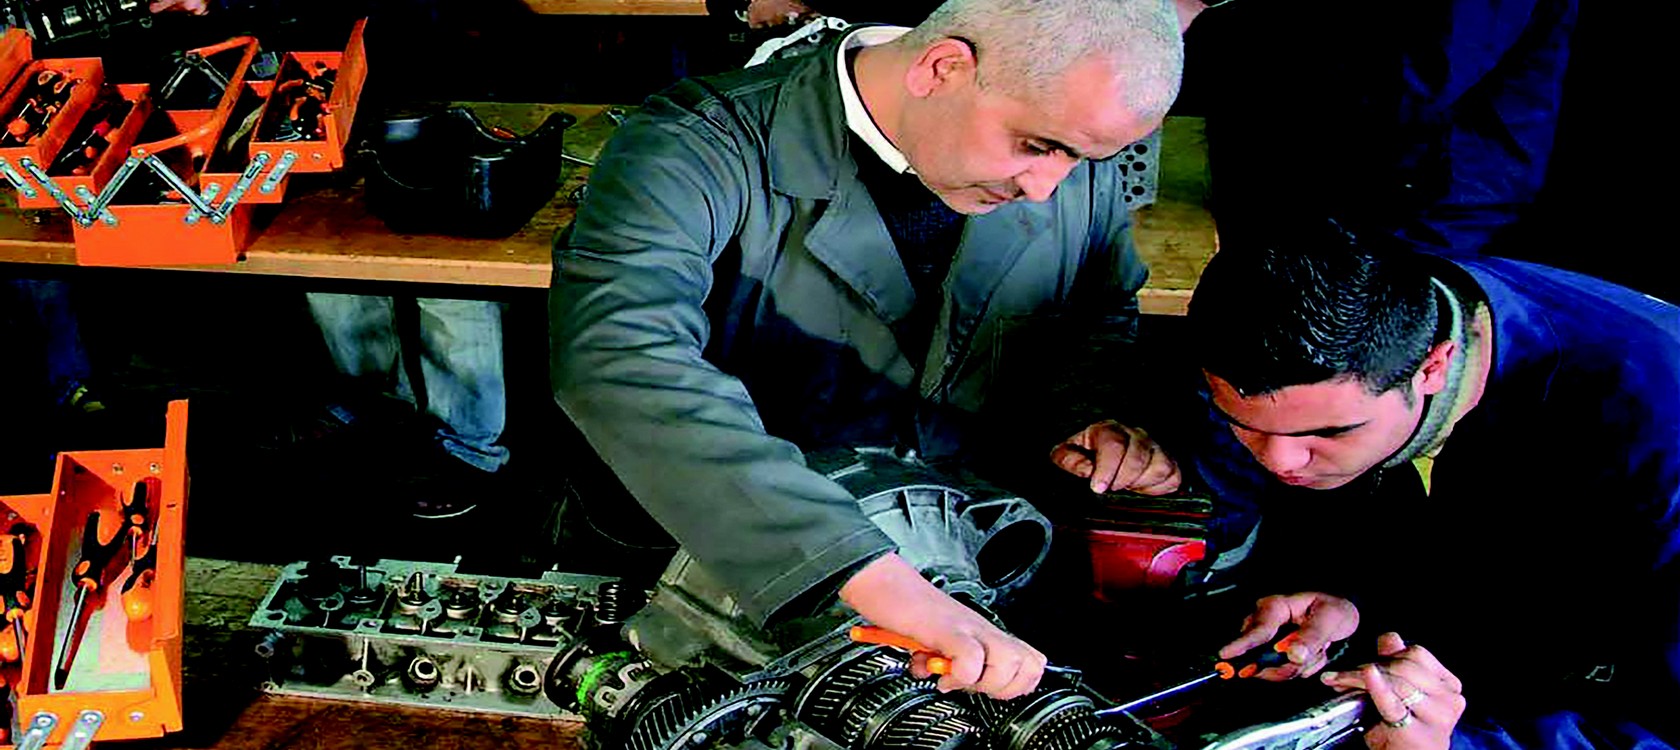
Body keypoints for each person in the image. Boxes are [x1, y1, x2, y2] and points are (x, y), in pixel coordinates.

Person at [552, 0, 1183, 700]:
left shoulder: (1063, 143)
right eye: (1036, 147)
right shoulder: (697, 145)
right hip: (707, 582)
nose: (1046, 189)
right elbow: (620, 356)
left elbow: (1097, 310)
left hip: (962, 574)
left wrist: (1084, 411)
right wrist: (861, 571)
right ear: (942, 68)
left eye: (1084, 158)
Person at [1054, 225, 1679, 747]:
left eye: (1328, 432)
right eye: (1244, 425)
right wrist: (1355, 603)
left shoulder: (1654, 433)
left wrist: (1460, 747)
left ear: (1433, 368)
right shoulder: (1304, 324)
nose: (1281, 462)